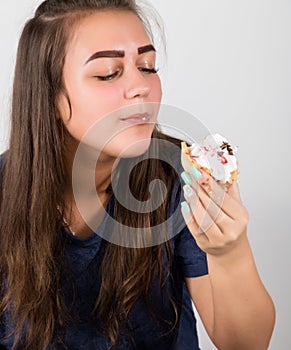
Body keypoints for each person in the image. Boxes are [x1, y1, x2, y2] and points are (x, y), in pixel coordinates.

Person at [0, 0, 275, 349]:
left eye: (147, 67)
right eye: (108, 73)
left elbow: (245, 344)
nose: (140, 87)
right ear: (51, 96)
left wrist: (230, 252)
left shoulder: (179, 178)